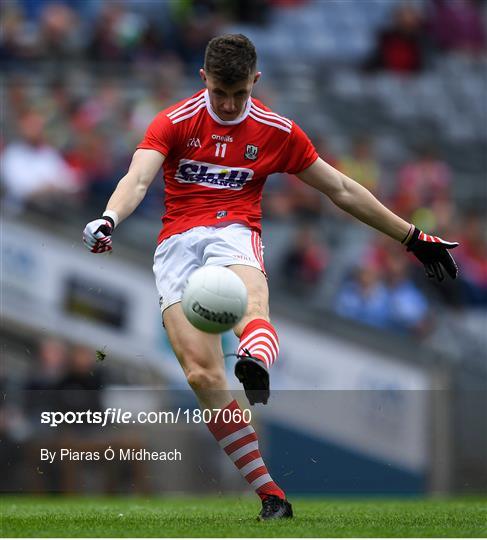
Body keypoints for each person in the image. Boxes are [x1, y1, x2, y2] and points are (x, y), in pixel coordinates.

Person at [83, 34, 459, 520]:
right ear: (204, 80)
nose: (230, 103)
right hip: (177, 244)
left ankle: (254, 361)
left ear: (255, 82)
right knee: (200, 375)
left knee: (252, 309)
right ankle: (270, 494)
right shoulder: (174, 121)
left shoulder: (276, 131)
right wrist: (109, 218)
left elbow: (341, 189)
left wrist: (411, 237)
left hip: (235, 233)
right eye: (220, 92)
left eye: (240, 93)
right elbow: (137, 179)